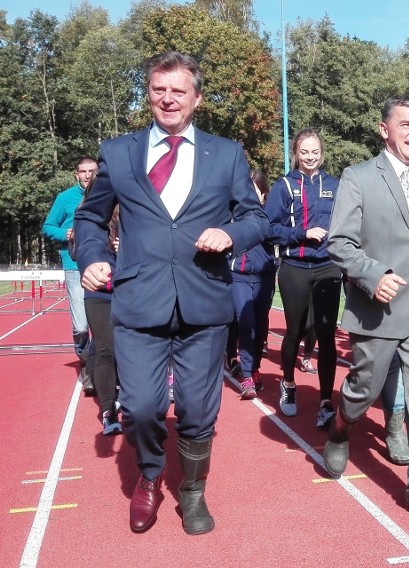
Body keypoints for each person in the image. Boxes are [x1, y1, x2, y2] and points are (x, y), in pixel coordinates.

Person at [75, 51, 268, 535]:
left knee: (200, 410)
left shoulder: (225, 153)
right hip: (140, 302)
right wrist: (93, 256)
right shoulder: (118, 153)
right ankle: (149, 475)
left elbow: (256, 217)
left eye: (178, 91)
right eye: (160, 89)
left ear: (196, 99)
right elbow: (90, 218)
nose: (168, 99)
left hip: (205, 301)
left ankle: (193, 490)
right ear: (149, 94)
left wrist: (231, 234)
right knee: (140, 407)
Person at [324, 94, 409, 520]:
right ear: (385, 129)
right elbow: (339, 243)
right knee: (364, 389)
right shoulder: (358, 177)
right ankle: (342, 426)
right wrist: (372, 275)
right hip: (378, 310)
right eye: (405, 124)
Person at [267, 127, 342, 428]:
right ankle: (288, 383)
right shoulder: (283, 186)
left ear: (322, 153)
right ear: (295, 153)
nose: (310, 158)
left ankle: (326, 401)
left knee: (326, 334)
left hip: (327, 267)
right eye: (304, 152)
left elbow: (348, 222)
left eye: (315, 152)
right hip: (295, 266)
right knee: (295, 330)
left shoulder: (335, 185)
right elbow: (270, 227)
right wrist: (301, 233)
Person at [44, 157, 95, 395]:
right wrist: (66, 233)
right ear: (76, 175)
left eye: (91, 171)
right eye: (82, 172)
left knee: (107, 323)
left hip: (103, 265)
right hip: (75, 266)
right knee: (81, 325)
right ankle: (85, 360)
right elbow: (48, 226)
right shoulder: (65, 198)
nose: (87, 175)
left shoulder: (107, 194)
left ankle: (98, 370)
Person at [227, 169, 277, 399]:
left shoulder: (269, 214)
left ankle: (255, 368)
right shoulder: (232, 213)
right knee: (245, 323)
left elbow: (280, 234)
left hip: (264, 276)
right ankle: (247, 374)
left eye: (254, 189)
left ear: (262, 192)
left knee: (261, 327)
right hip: (239, 275)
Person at [80, 203, 122, 435]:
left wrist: (126, 247)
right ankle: (108, 411)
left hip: (126, 292)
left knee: (126, 349)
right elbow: (79, 254)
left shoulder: (132, 211)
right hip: (97, 294)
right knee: (106, 349)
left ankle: (127, 396)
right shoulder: (87, 217)